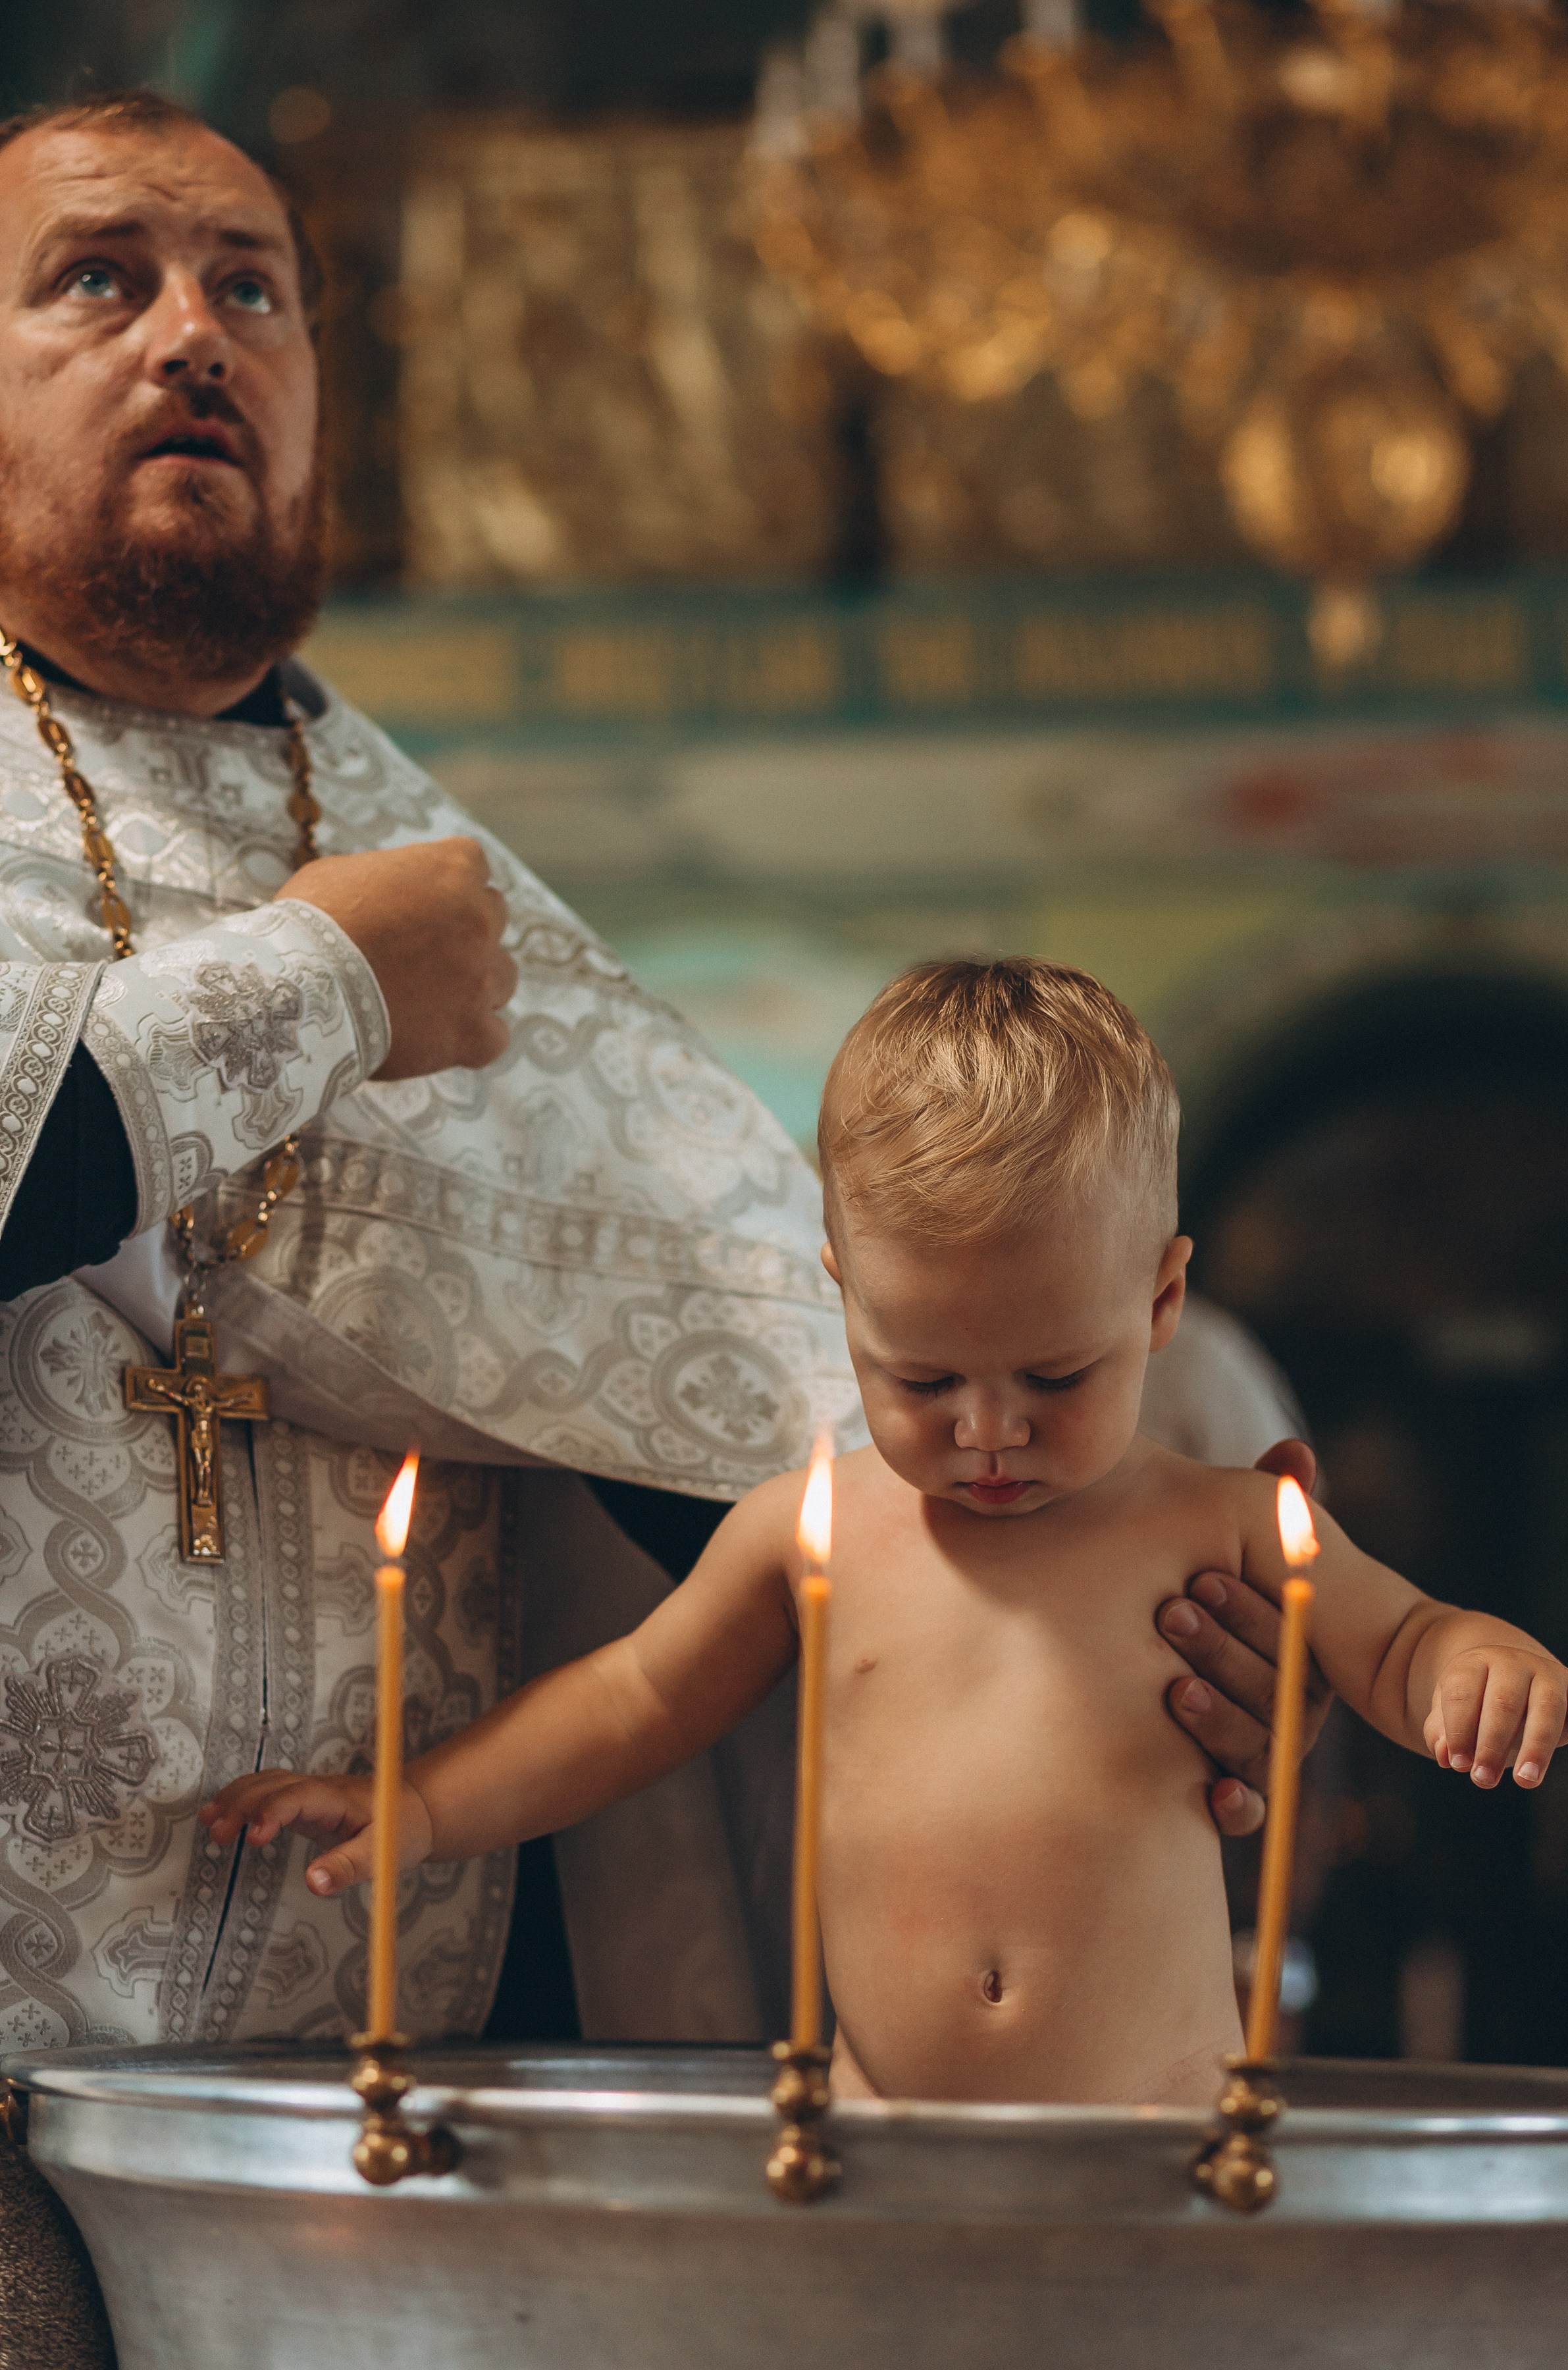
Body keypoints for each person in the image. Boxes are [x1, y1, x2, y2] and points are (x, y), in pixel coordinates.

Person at [0, 90, 1309, 2060]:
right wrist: (331, 976)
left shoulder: (440, 866)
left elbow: (779, 1392)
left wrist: (1131, 1598)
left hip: (397, 2037)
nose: (195, 332)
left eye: (252, 290)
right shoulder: (394, 916)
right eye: (98, 278)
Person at [204, 961, 1568, 2106]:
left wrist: (1478, 1666)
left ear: (1162, 1304)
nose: (987, 1431)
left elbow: (1393, 1642)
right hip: (872, 2119)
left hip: (1152, 2124)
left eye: (1054, 1377)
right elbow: (636, 1699)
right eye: (922, 1379)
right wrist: (429, 1805)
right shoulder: (812, 1531)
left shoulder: (1221, 1520)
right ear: (843, 1294)